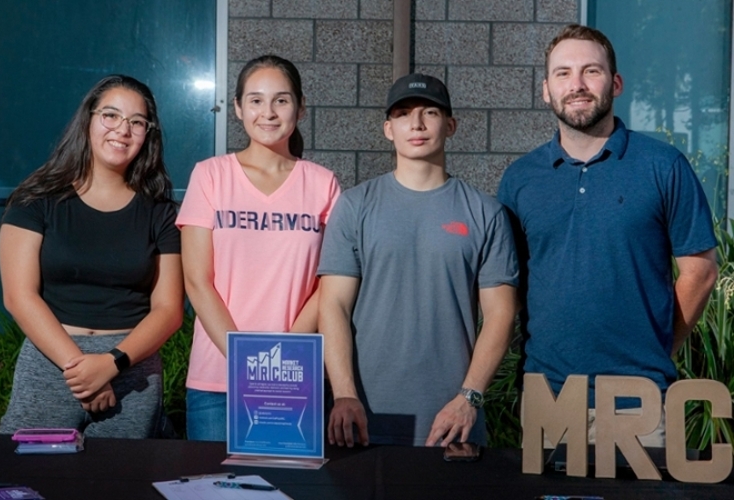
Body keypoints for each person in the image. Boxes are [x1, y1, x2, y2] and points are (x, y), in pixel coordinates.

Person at [497, 24, 719, 446]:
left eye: (590, 71)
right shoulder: (520, 179)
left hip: (640, 402)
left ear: (615, 83)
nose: (576, 84)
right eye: (562, 74)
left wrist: (657, 347)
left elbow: (701, 272)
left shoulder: (663, 166)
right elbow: (511, 284)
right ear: (546, 90)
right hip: (549, 398)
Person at [318, 73, 519, 447]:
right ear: (388, 129)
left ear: (451, 125)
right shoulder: (354, 206)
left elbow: (500, 314)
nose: (417, 123)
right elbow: (333, 304)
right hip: (362, 420)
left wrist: (469, 397)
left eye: (430, 112)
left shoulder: (485, 213)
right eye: (403, 113)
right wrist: (345, 394)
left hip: (453, 421)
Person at [0, 75, 184, 438]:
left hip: (132, 369)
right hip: (51, 361)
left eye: (136, 122)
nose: (123, 130)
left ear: (148, 134)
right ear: (88, 120)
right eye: (110, 115)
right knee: (26, 478)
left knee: (121, 482)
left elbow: (169, 310)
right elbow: (19, 297)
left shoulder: (161, 212)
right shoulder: (36, 199)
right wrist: (81, 370)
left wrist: (111, 363)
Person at [177, 55, 341, 442]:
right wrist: (244, 363)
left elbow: (330, 283)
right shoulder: (210, 175)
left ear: (300, 109)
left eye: (281, 101)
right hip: (217, 381)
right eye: (255, 100)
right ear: (237, 108)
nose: (268, 112)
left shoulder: (323, 184)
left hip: (291, 377)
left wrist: (281, 359)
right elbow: (197, 282)